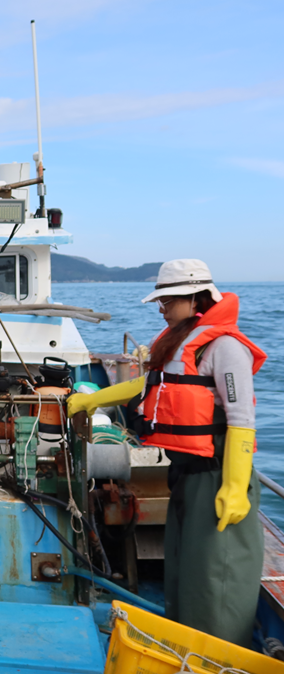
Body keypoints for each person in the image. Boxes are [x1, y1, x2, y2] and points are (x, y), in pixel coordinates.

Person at [68, 259, 266, 646]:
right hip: (187, 477)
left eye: (168, 300)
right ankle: (184, 650)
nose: (161, 308)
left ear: (195, 299)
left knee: (216, 577)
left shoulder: (225, 347)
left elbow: (242, 418)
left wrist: (236, 486)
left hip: (218, 476)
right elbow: (151, 382)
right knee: (185, 572)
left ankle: (219, 659)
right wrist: (91, 401)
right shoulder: (180, 341)